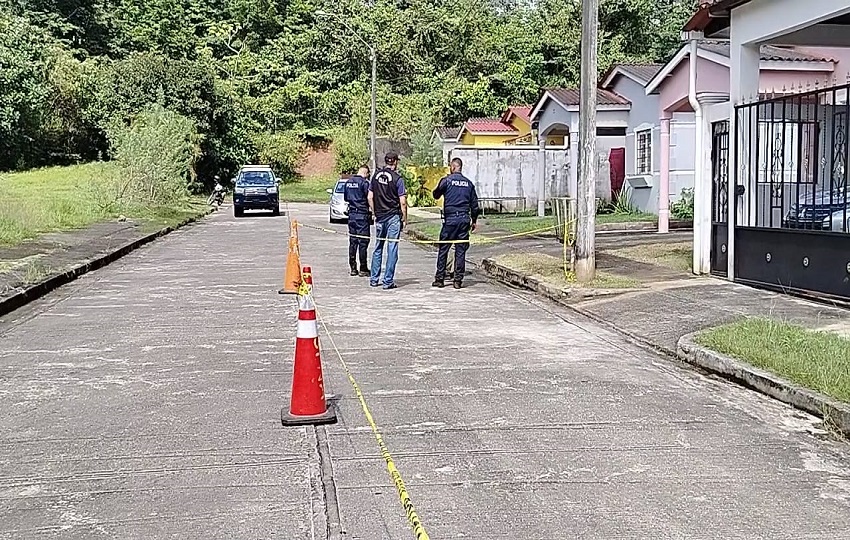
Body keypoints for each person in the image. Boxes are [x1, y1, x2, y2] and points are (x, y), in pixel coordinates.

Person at [432, 158, 480, 289]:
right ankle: (458, 280)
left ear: (452, 167)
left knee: (443, 249)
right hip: (464, 219)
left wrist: (442, 187)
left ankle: (440, 279)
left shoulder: (447, 181)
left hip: (450, 220)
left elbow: (435, 194)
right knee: (460, 251)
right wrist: (474, 221)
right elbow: (475, 206)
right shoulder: (469, 184)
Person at [368, 151, 407, 290]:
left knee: (378, 248)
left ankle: (374, 279)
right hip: (393, 217)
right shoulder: (398, 179)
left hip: (379, 217)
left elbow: (369, 197)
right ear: (395, 162)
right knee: (392, 249)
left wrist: (374, 213)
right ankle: (387, 281)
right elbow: (402, 202)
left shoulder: (375, 177)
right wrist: (404, 217)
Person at [344, 165, 372, 277]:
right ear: (366, 173)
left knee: (353, 241)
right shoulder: (364, 183)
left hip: (351, 215)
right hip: (362, 214)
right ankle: (363, 268)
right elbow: (369, 197)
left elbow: (346, 198)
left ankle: (353, 267)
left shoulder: (348, 182)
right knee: (363, 242)